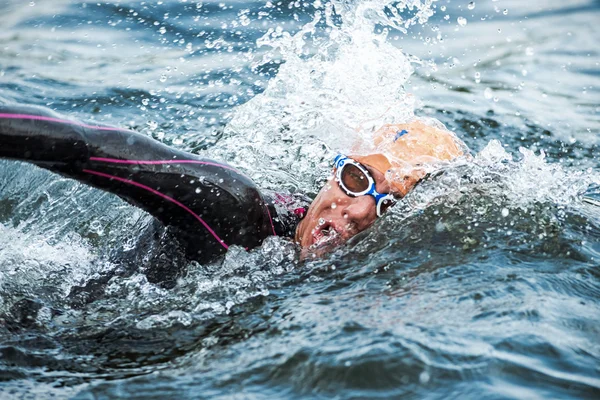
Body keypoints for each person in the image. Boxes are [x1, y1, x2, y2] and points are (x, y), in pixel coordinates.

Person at [0, 103, 466, 267]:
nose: (361, 210)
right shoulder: (233, 210)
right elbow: (86, 146)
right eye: (356, 179)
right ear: (333, 169)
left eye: (389, 205)